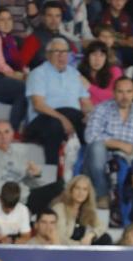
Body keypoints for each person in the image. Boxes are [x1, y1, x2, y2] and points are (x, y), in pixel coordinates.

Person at [25, 37, 93, 165]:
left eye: (65, 52)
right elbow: (38, 105)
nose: (62, 55)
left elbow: (86, 102)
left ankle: (87, 169)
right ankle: (53, 175)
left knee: (91, 127)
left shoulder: (74, 74)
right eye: (57, 52)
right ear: (48, 55)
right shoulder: (38, 73)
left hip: (73, 117)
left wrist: (90, 116)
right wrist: (62, 119)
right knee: (55, 125)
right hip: (43, 119)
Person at [85, 77, 133, 202]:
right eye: (120, 92)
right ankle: (102, 195)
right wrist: (120, 144)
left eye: (128, 92)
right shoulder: (101, 109)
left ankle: (128, 202)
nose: (124, 96)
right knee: (96, 147)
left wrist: (130, 151)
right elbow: (91, 136)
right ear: (114, 93)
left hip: (129, 157)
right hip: (105, 155)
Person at [0, 119, 44, 203]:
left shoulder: (17, 153)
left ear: (12, 134)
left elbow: (29, 182)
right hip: (2, 200)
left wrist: (36, 175)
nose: (3, 137)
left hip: (23, 196)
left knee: (56, 188)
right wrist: (20, 197)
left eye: (6, 132)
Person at [51, 175, 112, 245]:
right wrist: (80, 245)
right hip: (66, 249)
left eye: (85, 189)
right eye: (77, 188)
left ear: (88, 193)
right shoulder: (59, 208)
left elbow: (102, 226)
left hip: (82, 249)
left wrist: (91, 235)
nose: (81, 192)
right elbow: (60, 238)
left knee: (105, 238)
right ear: (71, 190)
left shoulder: (87, 210)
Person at [20, 1, 77, 70]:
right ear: (43, 17)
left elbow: (76, 62)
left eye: (57, 16)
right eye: (50, 16)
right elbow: (21, 65)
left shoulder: (66, 40)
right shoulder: (33, 39)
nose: (54, 20)